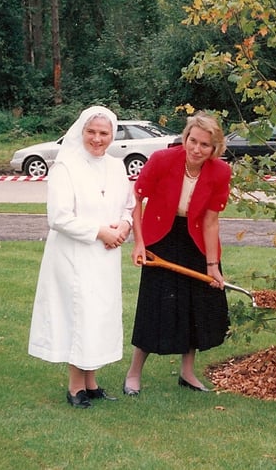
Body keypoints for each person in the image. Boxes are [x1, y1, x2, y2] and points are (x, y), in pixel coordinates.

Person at [28, 105, 135, 408]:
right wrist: (101, 232)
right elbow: (58, 217)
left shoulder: (116, 166)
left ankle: (91, 381)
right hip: (74, 255)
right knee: (80, 315)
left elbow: (129, 204)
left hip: (105, 255)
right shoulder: (66, 166)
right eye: (92, 132)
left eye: (104, 133)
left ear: (112, 135)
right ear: (81, 131)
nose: (97, 139)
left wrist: (124, 226)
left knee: (99, 316)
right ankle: (75, 386)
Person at [124, 111, 231, 395]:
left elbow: (210, 220)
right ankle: (134, 373)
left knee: (196, 306)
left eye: (204, 145)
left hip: (195, 240)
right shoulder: (162, 160)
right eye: (192, 141)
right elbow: (136, 198)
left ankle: (187, 373)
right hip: (161, 238)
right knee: (154, 305)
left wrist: (212, 264)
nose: (196, 149)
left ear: (214, 148)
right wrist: (139, 242)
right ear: (185, 138)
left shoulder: (221, 171)